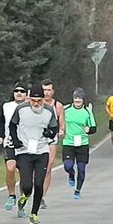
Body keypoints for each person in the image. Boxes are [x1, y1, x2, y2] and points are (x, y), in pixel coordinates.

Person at [9, 84, 58, 224]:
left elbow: (53, 128)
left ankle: (34, 214)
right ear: (29, 99)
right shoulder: (21, 109)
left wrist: (50, 133)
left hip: (41, 151)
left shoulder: (49, 110)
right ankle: (24, 196)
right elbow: (12, 125)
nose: (36, 104)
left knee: (39, 183)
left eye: (39, 101)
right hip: (24, 151)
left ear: (43, 99)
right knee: (28, 185)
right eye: (33, 101)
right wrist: (16, 141)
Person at [0, 82, 28, 210]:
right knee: (10, 168)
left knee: (25, 174)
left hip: (25, 144)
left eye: (22, 91)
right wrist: (0, 136)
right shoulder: (6, 106)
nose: (19, 93)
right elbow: (2, 122)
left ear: (26, 94)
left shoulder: (31, 106)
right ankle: (11, 195)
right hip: (10, 142)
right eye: (16, 91)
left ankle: (22, 201)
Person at [62, 88, 96, 200]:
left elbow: (93, 128)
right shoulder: (65, 109)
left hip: (82, 143)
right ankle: (71, 175)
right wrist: (61, 129)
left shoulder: (87, 111)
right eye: (76, 98)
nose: (77, 100)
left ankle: (77, 190)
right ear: (73, 99)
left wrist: (88, 130)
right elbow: (58, 121)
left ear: (83, 100)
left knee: (81, 169)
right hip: (68, 142)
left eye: (79, 98)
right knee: (68, 166)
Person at [40, 79, 65, 209]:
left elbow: (62, 123)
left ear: (53, 91)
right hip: (37, 139)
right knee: (35, 169)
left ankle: (41, 196)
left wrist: (61, 131)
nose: (47, 92)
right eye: (44, 90)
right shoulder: (36, 103)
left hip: (51, 139)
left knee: (48, 168)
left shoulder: (57, 105)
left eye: (49, 90)